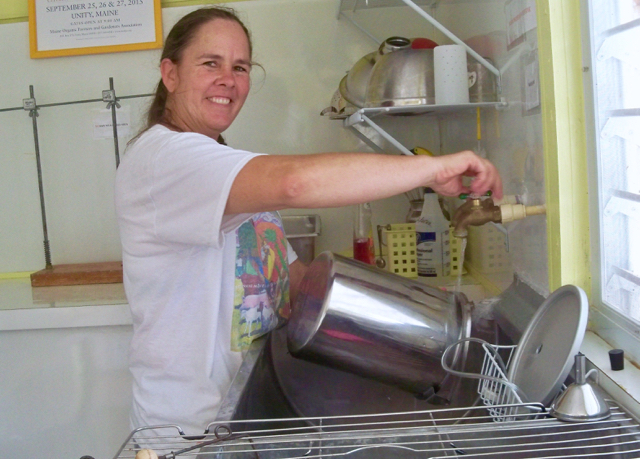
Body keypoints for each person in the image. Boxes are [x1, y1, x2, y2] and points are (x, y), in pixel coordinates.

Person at [114, 6, 503, 437]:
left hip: (242, 411)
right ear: (171, 74)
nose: (228, 79)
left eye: (240, 66)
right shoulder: (164, 159)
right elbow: (295, 183)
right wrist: (431, 170)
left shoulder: (220, 165)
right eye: (210, 63)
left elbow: (292, 281)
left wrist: (418, 316)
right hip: (186, 433)